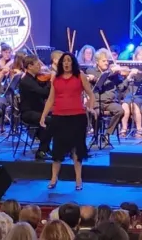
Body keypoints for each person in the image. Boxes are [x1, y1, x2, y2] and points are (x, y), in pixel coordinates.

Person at [40, 52, 95, 190]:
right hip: (59, 116)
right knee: (57, 149)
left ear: (73, 62)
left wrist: (90, 107)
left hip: (77, 116)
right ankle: (54, 178)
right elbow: (51, 99)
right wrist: (43, 115)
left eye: (69, 60)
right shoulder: (56, 78)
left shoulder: (80, 75)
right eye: (64, 61)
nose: (66, 63)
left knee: (77, 149)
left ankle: (78, 179)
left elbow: (90, 94)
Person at [19, 55, 53, 160]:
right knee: (49, 121)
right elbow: (44, 93)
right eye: (38, 64)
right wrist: (51, 81)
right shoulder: (26, 81)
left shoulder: (35, 79)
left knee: (58, 117)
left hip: (38, 111)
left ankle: (47, 148)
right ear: (30, 66)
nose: (40, 67)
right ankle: (41, 151)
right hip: (28, 112)